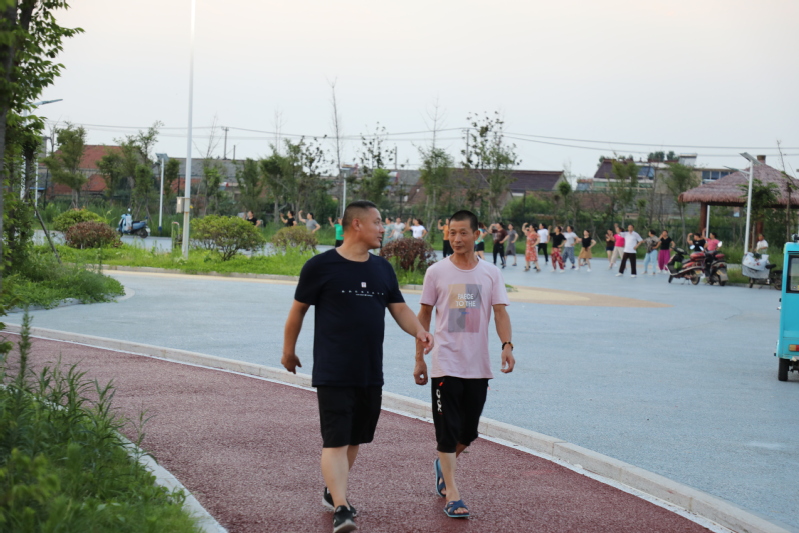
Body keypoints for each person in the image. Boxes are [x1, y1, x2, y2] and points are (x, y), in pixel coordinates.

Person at [282, 200, 434, 533]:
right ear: (357, 224)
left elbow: (399, 308)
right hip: (333, 369)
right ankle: (341, 507)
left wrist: (420, 331)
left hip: (369, 370)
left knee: (354, 439)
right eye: (378, 222)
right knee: (335, 439)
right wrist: (288, 351)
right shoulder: (320, 266)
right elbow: (298, 310)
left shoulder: (382, 269)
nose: (383, 228)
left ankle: (332, 489)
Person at [414, 209, 514, 520]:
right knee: (447, 430)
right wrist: (419, 357)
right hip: (445, 362)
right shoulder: (436, 272)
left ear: (476, 235)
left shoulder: (490, 273)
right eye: (452, 233)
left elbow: (500, 312)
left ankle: (442, 464)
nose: (456, 239)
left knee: (468, 432)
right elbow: (424, 316)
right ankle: (453, 493)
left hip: (477, 365)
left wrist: (507, 345)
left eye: (463, 233)